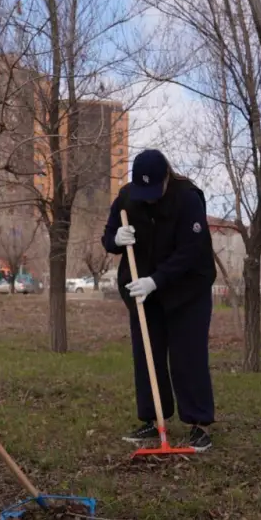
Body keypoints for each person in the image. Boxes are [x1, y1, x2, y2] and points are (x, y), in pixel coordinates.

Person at [101, 149, 217, 452]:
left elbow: (191, 251)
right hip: (142, 290)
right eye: (144, 191)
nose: (149, 198)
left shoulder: (189, 198)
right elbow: (108, 234)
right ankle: (153, 421)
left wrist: (157, 280)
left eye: (155, 191)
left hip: (187, 290)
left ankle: (199, 424)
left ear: (167, 177)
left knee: (187, 357)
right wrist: (115, 239)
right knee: (147, 356)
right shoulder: (127, 197)